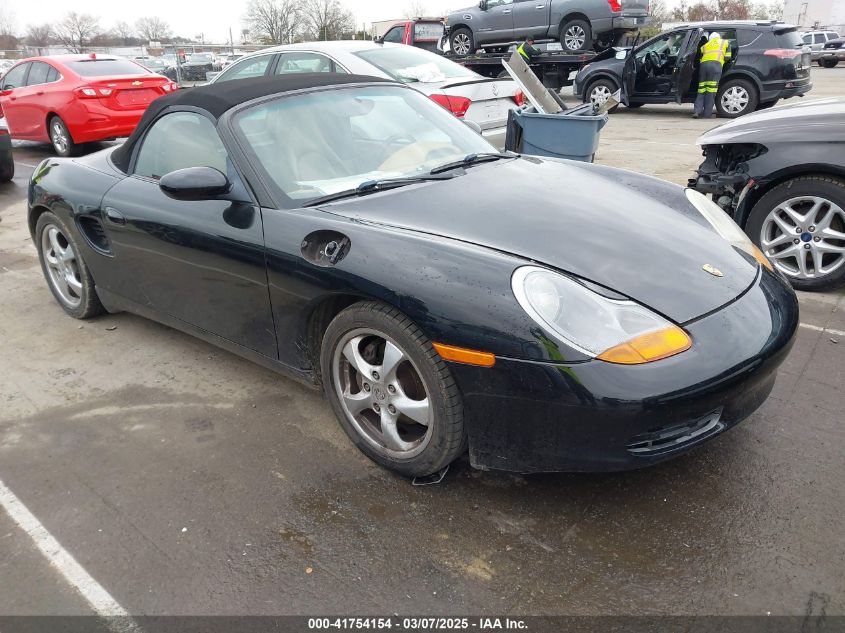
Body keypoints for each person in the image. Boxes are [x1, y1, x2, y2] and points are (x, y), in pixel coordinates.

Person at [693, 32, 732, 119]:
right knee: (711, 90)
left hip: (703, 67)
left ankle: (697, 111)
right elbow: (728, 57)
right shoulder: (725, 42)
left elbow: (700, 57)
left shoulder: (705, 46)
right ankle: (707, 114)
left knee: (701, 90)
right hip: (715, 66)